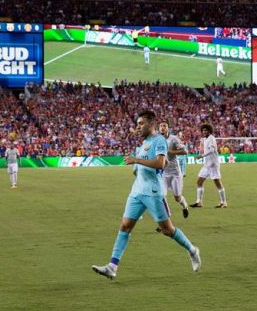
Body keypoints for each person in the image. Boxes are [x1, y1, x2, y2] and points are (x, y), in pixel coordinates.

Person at [92, 110, 200, 280]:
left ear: (151, 124)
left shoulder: (159, 141)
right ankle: (112, 267)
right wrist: (136, 168)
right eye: (137, 124)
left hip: (153, 192)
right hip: (137, 191)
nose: (138, 127)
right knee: (125, 226)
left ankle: (192, 250)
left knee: (167, 230)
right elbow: (141, 167)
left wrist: (136, 160)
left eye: (141, 123)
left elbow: (160, 164)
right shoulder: (144, 142)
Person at [191, 124, 228, 208]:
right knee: (199, 181)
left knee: (217, 182)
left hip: (213, 164)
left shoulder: (212, 138)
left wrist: (202, 156)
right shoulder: (204, 139)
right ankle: (199, 202)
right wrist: (201, 147)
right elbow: (202, 150)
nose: (204, 132)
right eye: (203, 130)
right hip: (207, 165)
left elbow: (211, 150)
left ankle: (224, 202)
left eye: (206, 130)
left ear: (209, 131)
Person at [159, 122, 190, 218]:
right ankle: (166, 218)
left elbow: (185, 151)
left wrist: (171, 152)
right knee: (161, 197)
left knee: (177, 197)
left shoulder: (174, 139)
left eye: (164, 126)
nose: (162, 127)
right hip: (163, 173)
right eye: (160, 126)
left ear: (168, 128)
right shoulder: (156, 140)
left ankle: (185, 206)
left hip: (175, 173)